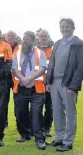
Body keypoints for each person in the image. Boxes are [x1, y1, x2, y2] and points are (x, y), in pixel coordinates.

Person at [46, 18, 83, 152]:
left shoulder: (78, 44)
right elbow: (52, 63)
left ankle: (68, 141)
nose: (64, 29)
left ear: (73, 28)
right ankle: (59, 137)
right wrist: (49, 81)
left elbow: (80, 67)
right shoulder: (57, 43)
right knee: (57, 111)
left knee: (70, 113)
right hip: (55, 82)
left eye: (67, 26)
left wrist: (74, 86)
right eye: (62, 27)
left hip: (68, 83)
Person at [12, 31, 47, 150]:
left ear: (32, 41)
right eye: (23, 38)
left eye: (26, 39)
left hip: (36, 89)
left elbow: (42, 69)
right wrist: (23, 79)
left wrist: (29, 78)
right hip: (21, 88)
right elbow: (14, 68)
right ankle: (25, 134)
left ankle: (39, 138)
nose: (24, 41)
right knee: (20, 113)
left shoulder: (40, 53)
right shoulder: (17, 53)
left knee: (36, 113)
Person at [37, 29, 53, 137]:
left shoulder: (53, 50)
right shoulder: (34, 50)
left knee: (49, 107)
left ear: (47, 36)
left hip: (49, 83)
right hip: (37, 82)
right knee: (37, 107)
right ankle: (38, 128)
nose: (43, 38)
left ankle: (47, 128)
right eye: (41, 36)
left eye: (45, 36)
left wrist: (50, 81)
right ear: (38, 37)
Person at [4, 30, 20, 128]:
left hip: (16, 78)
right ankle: (4, 121)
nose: (10, 37)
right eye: (8, 35)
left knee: (18, 102)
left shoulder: (20, 48)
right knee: (3, 101)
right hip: (5, 78)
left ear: (15, 37)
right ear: (5, 37)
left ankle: (19, 121)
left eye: (12, 35)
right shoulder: (2, 46)